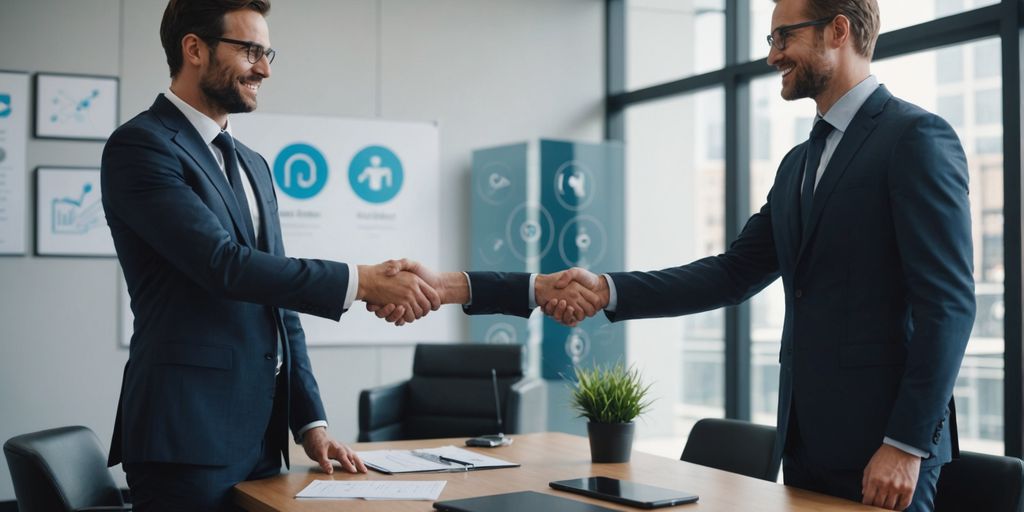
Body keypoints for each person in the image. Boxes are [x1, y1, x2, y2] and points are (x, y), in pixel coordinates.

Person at [380, 0, 975, 510]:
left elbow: (948, 306)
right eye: (770, 40)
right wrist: (606, 290)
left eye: (783, 37)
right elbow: (731, 274)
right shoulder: (799, 163)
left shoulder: (914, 139)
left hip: (885, 452)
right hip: (807, 443)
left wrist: (905, 444)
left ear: (838, 30)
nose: (772, 55)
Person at [101, 1, 441, 509]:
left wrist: (310, 423)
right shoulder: (141, 146)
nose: (264, 69)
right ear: (194, 49)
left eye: (267, 53)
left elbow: (278, 304)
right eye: (250, 51)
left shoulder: (254, 164)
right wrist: (362, 282)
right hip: (185, 438)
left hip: (261, 440)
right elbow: (222, 265)